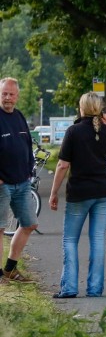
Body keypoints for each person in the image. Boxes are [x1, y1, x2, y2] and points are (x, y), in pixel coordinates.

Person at [49, 92, 106, 298]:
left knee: (70, 239)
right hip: (104, 192)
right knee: (97, 239)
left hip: (80, 193)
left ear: (82, 108)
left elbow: (63, 165)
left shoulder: (73, 131)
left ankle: (70, 288)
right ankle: (95, 289)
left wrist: (54, 193)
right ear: (99, 109)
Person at [0, 77, 37, 284]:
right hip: (3, 184)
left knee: (30, 224)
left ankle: (10, 269)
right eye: (4, 93)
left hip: (22, 182)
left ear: (17, 96)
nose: (7, 98)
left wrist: (29, 170)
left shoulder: (20, 116)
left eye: (11, 94)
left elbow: (27, 144)